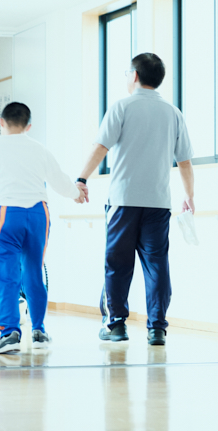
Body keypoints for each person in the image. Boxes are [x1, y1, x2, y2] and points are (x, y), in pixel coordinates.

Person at [75, 52, 194, 346]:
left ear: (135, 75)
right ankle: (157, 329)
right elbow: (186, 162)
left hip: (123, 201)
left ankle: (116, 325)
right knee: (157, 265)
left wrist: (82, 178)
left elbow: (100, 147)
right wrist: (189, 197)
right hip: (158, 203)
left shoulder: (122, 107)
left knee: (118, 264)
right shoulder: (173, 113)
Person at [0, 101, 84, 355]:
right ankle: (39, 330)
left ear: (1, 123)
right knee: (34, 270)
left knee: (6, 273)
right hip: (39, 214)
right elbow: (59, 178)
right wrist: (76, 193)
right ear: (29, 126)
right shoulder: (38, 148)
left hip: (8, 213)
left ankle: (10, 333)